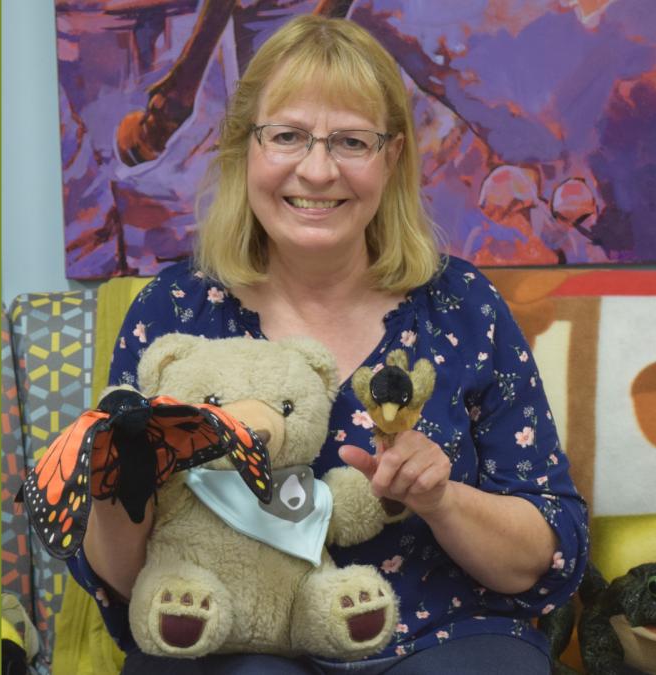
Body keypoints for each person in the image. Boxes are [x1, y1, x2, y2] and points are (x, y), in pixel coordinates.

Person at [66, 13, 589, 675]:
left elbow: (547, 550)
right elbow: (120, 582)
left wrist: (441, 498)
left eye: (350, 141)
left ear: (392, 156)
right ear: (243, 148)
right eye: (287, 136)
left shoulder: (464, 307)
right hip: (238, 635)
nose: (317, 170)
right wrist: (122, 485)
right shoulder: (174, 310)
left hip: (443, 636)